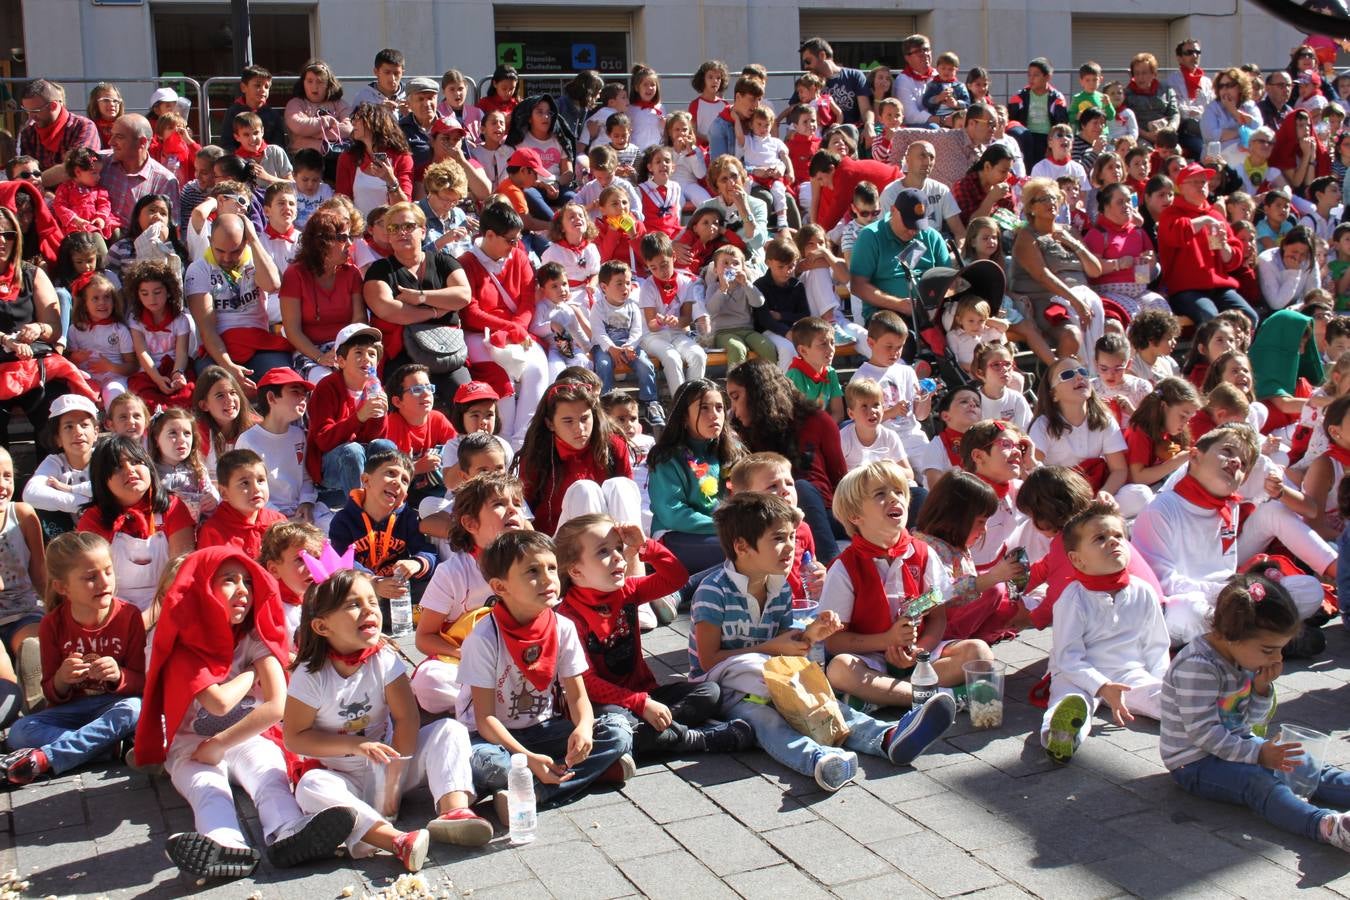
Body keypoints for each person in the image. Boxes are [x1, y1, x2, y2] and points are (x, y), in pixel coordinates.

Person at [691, 490, 955, 792]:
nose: (790, 547)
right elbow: (707, 660)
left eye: (792, 537)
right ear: (742, 546)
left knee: (821, 701)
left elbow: (782, 644)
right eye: (778, 539)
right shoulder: (714, 591)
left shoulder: (779, 589)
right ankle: (819, 759)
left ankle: (887, 737)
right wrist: (773, 649)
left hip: (772, 677)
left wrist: (811, 635)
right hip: (725, 689)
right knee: (766, 720)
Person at [134, 546, 354, 880]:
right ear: (202, 590)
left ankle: (289, 832)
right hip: (190, 745)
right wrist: (253, 673)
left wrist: (222, 742)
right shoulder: (178, 644)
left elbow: (277, 704)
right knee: (208, 789)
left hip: (249, 733)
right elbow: (218, 703)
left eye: (247, 582)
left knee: (270, 777)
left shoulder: (254, 633)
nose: (243, 590)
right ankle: (223, 844)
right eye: (228, 581)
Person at [285, 565, 492, 871]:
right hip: (345, 777)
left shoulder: (383, 657)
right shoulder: (310, 675)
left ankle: (454, 812)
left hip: (393, 765)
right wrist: (356, 746)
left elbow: (407, 718)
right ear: (321, 627)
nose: (369, 610)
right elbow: (295, 737)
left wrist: (395, 773)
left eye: (372, 601)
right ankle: (394, 840)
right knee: (311, 787)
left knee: (448, 730)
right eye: (354, 605)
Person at [1160, 573, 1350, 851]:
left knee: (1306, 765)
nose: (1276, 659)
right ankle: (1326, 826)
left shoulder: (1242, 656)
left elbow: (1250, 721)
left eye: (1280, 650)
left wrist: (1261, 687)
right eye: (1268, 650)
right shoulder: (1198, 666)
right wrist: (1259, 755)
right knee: (1259, 783)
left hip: (1237, 746)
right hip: (1194, 763)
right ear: (1231, 635)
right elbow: (1204, 734)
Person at [461, 530, 635, 809]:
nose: (547, 579)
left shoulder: (562, 627)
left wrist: (583, 728)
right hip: (492, 739)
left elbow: (579, 697)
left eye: (552, 568)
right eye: (532, 571)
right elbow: (485, 721)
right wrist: (527, 758)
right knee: (488, 765)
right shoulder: (483, 639)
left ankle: (534, 793)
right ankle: (584, 774)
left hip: (544, 728)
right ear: (500, 587)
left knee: (618, 730)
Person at [556, 513, 753, 758]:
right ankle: (693, 738)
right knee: (617, 724)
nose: (618, 556)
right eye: (603, 552)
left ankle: (656, 735)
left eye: (618, 547)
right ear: (575, 571)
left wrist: (644, 545)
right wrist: (641, 704)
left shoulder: (627, 590)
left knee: (710, 692)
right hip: (603, 705)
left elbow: (676, 578)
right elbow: (587, 684)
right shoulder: (568, 618)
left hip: (645, 695)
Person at [0, 532, 141, 785]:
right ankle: (106, 748)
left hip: (113, 707)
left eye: (108, 572)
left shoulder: (128, 616)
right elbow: (51, 694)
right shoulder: (51, 624)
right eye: (90, 577)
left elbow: (143, 682)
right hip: (71, 711)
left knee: (134, 709)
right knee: (19, 732)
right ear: (62, 587)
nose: (103, 582)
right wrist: (62, 680)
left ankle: (44, 759)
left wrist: (119, 675)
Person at [1040, 503, 1171, 764]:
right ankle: (1062, 734)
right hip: (1078, 674)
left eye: (1118, 536)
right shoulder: (1073, 598)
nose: (1113, 542)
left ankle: (1227, 712)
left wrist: (1163, 682)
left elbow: (1156, 645)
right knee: (1070, 702)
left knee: (1167, 698)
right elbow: (1069, 658)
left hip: (1128, 673)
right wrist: (1101, 686)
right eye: (1100, 538)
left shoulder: (1143, 591)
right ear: (1077, 559)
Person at [726, 358, 845, 560]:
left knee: (916, 494)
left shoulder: (818, 420)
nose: (734, 408)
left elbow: (840, 479)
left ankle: (831, 568)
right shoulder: (740, 435)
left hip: (824, 515)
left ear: (757, 394)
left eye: (736, 397)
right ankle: (831, 564)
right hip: (771, 519)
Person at [457, 202, 550, 449]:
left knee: (538, 371)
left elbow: (528, 300)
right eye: (510, 240)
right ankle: (503, 444)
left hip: (517, 332)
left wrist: (517, 328)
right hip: (480, 335)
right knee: (503, 382)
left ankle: (523, 443)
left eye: (517, 240)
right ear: (489, 235)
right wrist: (510, 329)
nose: (515, 245)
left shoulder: (519, 256)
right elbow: (470, 312)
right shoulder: (466, 263)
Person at [75, 435, 195, 614]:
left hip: (168, 605)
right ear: (102, 480)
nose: (130, 470)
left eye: (136, 461)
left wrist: (151, 616)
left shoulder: (173, 508)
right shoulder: (93, 519)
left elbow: (180, 572)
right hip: (110, 608)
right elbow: (90, 579)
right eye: (117, 466)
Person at [362, 200, 471, 389]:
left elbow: (463, 295)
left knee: (464, 393)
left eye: (408, 226)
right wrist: (436, 312)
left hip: (446, 350)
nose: (401, 232)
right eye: (394, 228)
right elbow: (389, 310)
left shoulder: (444, 262)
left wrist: (419, 297)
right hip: (403, 353)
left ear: (423, 230)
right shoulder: (379, 270)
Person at [1009, 178, 1106, 363]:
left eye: (1054, 198)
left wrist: (1073, 243)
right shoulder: (1027, 236)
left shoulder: (1070, 231)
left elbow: (1095, 271)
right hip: (1045, 300)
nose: (1051, 202)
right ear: (1031, 208)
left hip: (1083, 298)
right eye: (1044, 199)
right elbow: (1042, 275)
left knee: (1113, 328)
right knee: (1071, 334)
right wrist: (1076, 301)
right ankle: (1063, 383)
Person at [186, 212, 287, 388]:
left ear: (246, 243)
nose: (226, 258)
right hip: (218, 349)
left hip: (258, 343)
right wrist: (228, 366)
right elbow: (207, 329)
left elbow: (272, 285)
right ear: (210, 241)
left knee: (283, 384)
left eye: (235, 251)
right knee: (217, 387)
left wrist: (254, 239)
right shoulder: (199, 269)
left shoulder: (255, 258)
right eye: (220, 251)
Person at [305, 323, 398, 509]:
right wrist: (359, 417)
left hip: (359, 459)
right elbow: (323, 440)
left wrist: (379, 415)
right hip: (330, 468)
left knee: (387, 446)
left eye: (372, 354)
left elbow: (374, 440)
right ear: (341, 361)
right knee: (352, 450)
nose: (367, 359)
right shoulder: (326, 387)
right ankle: (358, 513)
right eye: (358, 353)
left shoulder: (375, 388)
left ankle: (386, 505)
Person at [1157, 162, 1258, 326]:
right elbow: (1176, 234)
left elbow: (1233, 260)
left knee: (1249, 318)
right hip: (1187, 289)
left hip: (1219, 287)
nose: (1201, 186)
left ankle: (1238, 352)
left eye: (1203, 182)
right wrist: (1204, 221)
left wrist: (1224, 246)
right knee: (1213, 321)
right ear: (1182, 187)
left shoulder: (1215, 215)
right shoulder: (1171, 214)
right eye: (1195, 182)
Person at [279, 205, 365, 383]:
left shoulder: (352, 273)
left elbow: (359, 319)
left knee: (366, 383)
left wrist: (341, 349)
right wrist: (320, 357)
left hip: (347, 347)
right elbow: (292, 329)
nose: (349, 243)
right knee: (325, 382)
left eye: (350, 237)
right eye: (342, 238)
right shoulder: (295, 274)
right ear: (321, 243)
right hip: (310, 351)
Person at [849, 187, 952, 325]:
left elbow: (949, 281)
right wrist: (900, 305)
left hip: (931, 311)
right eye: (908, 224)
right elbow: (858, 286)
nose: (912, 231)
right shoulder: (871, 236)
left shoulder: (932, 236)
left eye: (917, 226)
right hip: (886, 316)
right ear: (893, 210)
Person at [1084, 182, 1169, 319]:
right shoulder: (1097, 234)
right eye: (1120, 202)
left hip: (1139, 289)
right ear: (1106, 206)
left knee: (1162, 311)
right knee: (1134, 315)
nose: (1127, 206)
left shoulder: (1138, 232)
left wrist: (1148, 262)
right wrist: (1117, 264)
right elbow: (1091, 270)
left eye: (1129, 201)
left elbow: (1147, 271)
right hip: (1108, 292)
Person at [101, 114, 181, 229]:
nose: (110, 142)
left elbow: (171, 228)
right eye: (112, 134)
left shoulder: (164, 180)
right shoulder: (98, 162)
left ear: (142, 142)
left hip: (136, 244)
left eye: (119, 137)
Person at [17, 79, 101, 187]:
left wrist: (37, 183)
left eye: (35, 111)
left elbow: (77, 167)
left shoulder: (83, 126)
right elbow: (26, 173)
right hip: (42, 197)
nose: (31, 116)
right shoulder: (28, 133)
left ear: (53, 106)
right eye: (27, 111)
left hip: (78, 197)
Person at [337, 104, 413, 218]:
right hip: (359, 231)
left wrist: (390, 180)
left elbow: (404, 207)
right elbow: (342, 201)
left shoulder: (402, 158)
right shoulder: (348, 158)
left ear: (375, 123)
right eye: (353, 119)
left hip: (392, 232)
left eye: (358, 119)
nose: (353, 123)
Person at [1006, 58, 1071, 167]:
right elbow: (1012, 120)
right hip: (1026, 135)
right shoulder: (1020, 96)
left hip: (1047, 137)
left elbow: (1062, 122)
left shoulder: (1056, 97)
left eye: (1036, 75)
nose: (1031, 79)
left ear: (1047, 77)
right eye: (1029, 75)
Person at [285, 59, 353, 157]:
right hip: (305, 158)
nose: (315, 87)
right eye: (310, 81)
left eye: (320, 82)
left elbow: (348, 129)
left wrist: (311, 133)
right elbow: (299, 127)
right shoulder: (295, 104)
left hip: (337, 154)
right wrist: (327, 122)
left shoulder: (339, 103)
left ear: (328, 84)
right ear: (303, 82)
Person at [219, 65, 286, 154]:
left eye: (266, 87)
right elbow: (227, 143)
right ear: (243, 87)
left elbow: (278, 144)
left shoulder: (273, 115)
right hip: (239, 162)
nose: (263, 90)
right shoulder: (233, 112)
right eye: (257, 85)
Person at [1124, 53, 1181, 149]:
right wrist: (1146, 134)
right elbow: (1125, 120)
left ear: (1154, 74)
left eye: (1144, 73)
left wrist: (1170, 130)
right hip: (1141, 136)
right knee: (1147, 152)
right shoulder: (1126, 94)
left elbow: (1174, 113)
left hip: (1164, 134)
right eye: (1137, 73)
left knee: (1176, 151)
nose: (1140, 77)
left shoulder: (1166, 90)